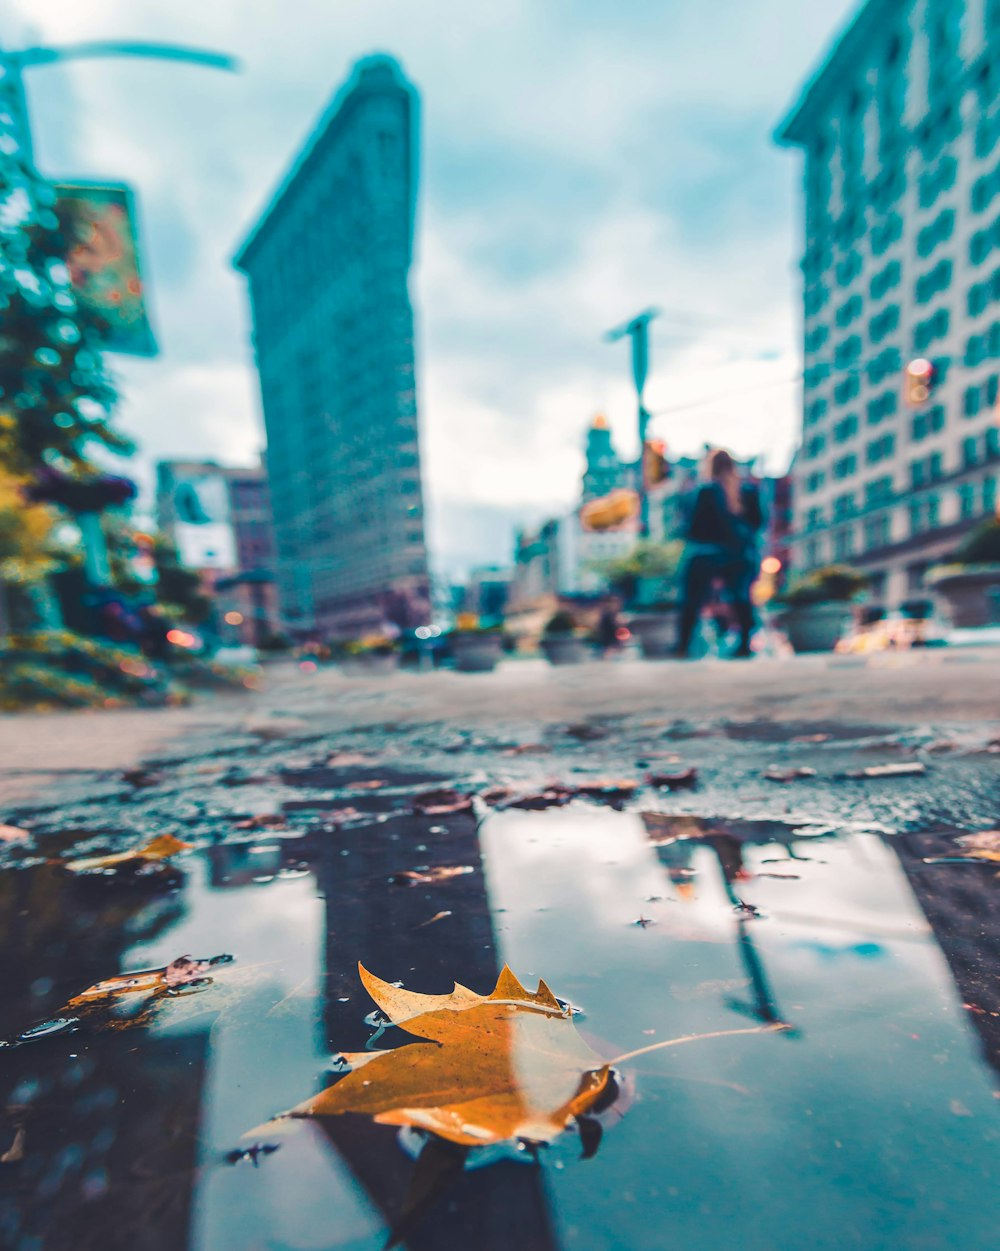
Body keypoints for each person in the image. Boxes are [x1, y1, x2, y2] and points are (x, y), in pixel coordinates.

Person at [676, 448, 764, 658]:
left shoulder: (704, 490)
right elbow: (759, 521)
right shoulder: (748, 490)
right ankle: (744, 644)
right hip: (740, 554)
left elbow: (693, 526)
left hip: (706, 553)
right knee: (741, 597)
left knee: (691, 599)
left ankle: (683, 645)